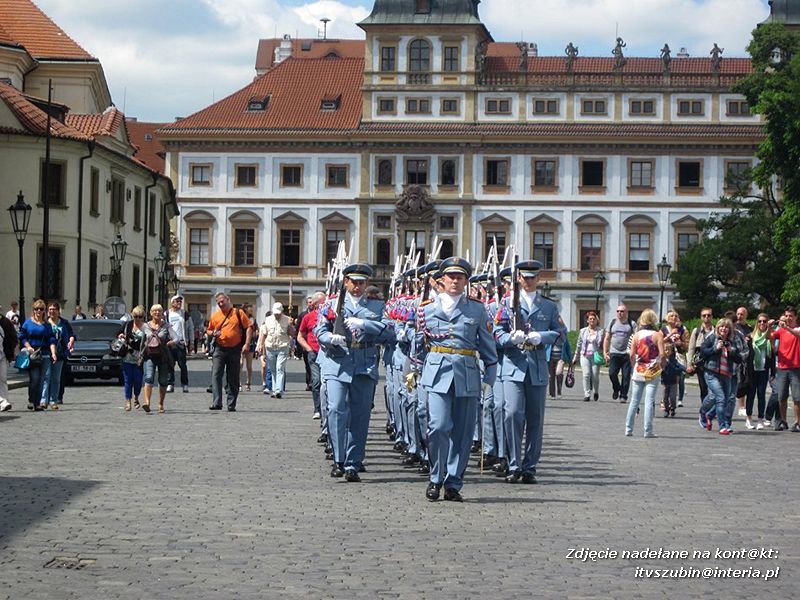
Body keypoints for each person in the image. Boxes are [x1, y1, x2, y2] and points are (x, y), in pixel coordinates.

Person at [414, 257, 497, 501]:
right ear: (442, 279)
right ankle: (435, 477)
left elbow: (488, 346)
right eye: (451, 276)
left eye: (460, 277)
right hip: (438, 373)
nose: (455, 281)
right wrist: (415, 370)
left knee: (462, 432)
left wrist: (489, 377)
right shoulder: (427, 308)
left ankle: (453, 482)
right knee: (438, 427)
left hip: (467, 374)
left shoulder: (477, 309)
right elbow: (419, 344)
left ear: (466, 281)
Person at [315, 264, 393, 483]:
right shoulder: (332, 304)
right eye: (353, 282)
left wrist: (365, 324)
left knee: (360, 416)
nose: (357, 286)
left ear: (367, 284)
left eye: (361, 282)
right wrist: (329, 338)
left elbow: (389, 331)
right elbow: (319, 329)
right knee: (336, 409)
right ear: (346, 282)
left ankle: (352, 463)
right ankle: (339, 459)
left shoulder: (377, 306)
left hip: (364, 363)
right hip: (337, 362)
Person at [493, 260, 564, 484]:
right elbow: (496, 332)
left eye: (533, 277)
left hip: (536, 366)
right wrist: (509, 339)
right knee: (512, 413)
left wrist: (541, 337)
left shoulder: (549, 306)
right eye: (525, 277)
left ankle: (529, 466)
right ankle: (513, 463)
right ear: (519, 278)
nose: (529, 281)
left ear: (539, 279)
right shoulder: (506, 304)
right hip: (513, 365)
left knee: (535, 419)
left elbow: (560, 331)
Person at [206, 292, 251, 412]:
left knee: (233, 377)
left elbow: (248, 327)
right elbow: (209, 330)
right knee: (216, 375)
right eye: (218, 302)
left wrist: (247, 344)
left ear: (228, 299)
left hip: (234, 349)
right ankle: (217, 402)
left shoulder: (238, 313)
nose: (220, 304)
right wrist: (213, 333)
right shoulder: (215, 316)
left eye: (222, 301)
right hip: (219, 349)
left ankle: (231, 404)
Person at [698, 318, 743, 435]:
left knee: (725, 398)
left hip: (726, 374)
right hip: (711, 372)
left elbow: (739, 359)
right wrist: (715, 348)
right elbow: (703, 351)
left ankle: (708, 413)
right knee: (720, 397)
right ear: (718, 328)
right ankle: (722, 426)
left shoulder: (731, 342)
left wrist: (731, 350)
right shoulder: (712, 338)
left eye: (726, 327)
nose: (724, 329)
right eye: (721, 327)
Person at [625, 309, 665, 438]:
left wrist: (633, 366)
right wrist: (661, 365)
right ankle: (648, 431)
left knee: (634, 401)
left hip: (639, 369)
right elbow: (663, 354)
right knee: (649, 401)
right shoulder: (658, 335)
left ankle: (628, 429)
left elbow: (631, 354)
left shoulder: (636, 335)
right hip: (653, 370)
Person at [140, 304, 177, 414]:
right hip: (149, 356)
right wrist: (140, 354)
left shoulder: (166, 326)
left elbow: (176, 337)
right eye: (155, 311)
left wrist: (172, 342)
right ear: (151, 313)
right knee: (149, 377)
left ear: (162, 313)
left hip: (163, 356)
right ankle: (147, 403)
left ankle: (161, 403)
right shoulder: (145, 326)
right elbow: (142, 341)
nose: (157, 313)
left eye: (159, 311)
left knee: (163, 380)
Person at [769, 306, 800, 432]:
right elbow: (769, 337)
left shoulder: (797, 328)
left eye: (790, 316)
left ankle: (798, 422)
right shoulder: (781, 331)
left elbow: (797, 334)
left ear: (795, 317)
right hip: (782, 367)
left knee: (797, 397)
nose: (788, 318)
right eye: (786, 315)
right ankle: (783, 420)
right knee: (782, 396)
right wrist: (769, 327)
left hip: (796, 368)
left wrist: (786, 327)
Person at [19, 299, 51, 412]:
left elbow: (51, 339)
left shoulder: (47, 325)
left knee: (42, 379)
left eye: (41, 309)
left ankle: (37, 403)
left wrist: (53, 352)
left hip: (45, 354)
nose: (38, 311)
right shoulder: (28, 323)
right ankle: (31, 400)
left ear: (44, 311)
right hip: (32, 354)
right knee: (35, 378)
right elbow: (22, 336)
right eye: (36, 309)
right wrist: (28, 346)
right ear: (33, 310)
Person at [41, 302, 74, 409]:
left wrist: (71, 341)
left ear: (58, 310)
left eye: (54, 309)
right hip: (46, 353)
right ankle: (43, 400)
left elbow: (71, 335)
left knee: (56, 378)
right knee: (46, 377)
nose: (52, 311)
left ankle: (53, 400)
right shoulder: (44, 323)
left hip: (60, 353)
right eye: (50, 309)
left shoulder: (64, 323)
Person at [256, 302, 292, 398]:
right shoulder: (268, 320)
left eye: (279, 313)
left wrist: (291, 326)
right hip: (270, 347)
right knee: (273, 369)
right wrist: (260, 345)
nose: (277, 315)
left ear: (282, 312)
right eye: (275, 313)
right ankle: (275, 389)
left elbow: (291, 333)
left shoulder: (287, 320)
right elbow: (264, 334)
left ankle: (278, 390)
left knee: (280, 368)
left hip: (283, 346)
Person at [297, 292, 323, 419]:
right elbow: (300, 336)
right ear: (315, 304)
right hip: (314, 353)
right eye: (322, 303)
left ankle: (327, 406)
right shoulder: (308, 317)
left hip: (329, 354)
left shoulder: (331, 317)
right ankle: (317, 408)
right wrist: (308, 348)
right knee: (317, 381)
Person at [746, 313, 774, 430]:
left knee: (761, 395)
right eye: (760, 321)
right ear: (757, 323)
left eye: (764, 321)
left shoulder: (770, 337)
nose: (762, 323)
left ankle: (760, 419)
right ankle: (749, 418)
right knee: (751, 395)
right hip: (752, 370)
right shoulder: (751, 337)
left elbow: (773, 353)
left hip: (763, 369)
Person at [603, 304, 636, 403]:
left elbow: (636, 338)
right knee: (612, 373)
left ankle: (623, 395)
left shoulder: (631, 324)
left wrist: (633, 353)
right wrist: (605, 352)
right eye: (618, 311)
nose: (619, 313)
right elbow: (607, 338)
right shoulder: (613, 323)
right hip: (614, 353)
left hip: (627, 354)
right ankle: (616, 388)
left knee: (626, 376)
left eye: (622, 311)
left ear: (626, 312)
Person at [117, 305, 146, 411]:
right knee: (128, 380)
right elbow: (118, 333)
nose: (137, 319)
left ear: (143, 317)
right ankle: (128, 401)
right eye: (135, 316)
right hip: (127, 357)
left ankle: (136, 397)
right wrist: (120, 336)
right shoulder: (127, 325)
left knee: (138, 380)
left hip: (139, 357)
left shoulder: (145, 327)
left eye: (140, 316)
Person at [573, 311, 604, 402]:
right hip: (585, 355)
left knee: (595, 376)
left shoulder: (600, 331)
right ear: (587, 320)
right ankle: (586, 394)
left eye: (594, 319)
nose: (592, 320)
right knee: (586, 375)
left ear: (596, 320)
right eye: (590, 319)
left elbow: (602, 343)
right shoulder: (583, 331)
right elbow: (579, 344)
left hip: (595, 355)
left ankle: (596, 391)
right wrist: (575, 356)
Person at [660, 310, 688, 408]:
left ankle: (676, 400)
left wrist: (681, 343)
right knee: (666, 379)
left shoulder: (682, 330)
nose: (674, 318)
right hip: (667, 356)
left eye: (676, 316)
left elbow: (686, 345)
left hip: (678, 356)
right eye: (671, 316)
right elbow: (659, 341)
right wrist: (670, 334)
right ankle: (664, 400)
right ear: (667, 318)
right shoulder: (663, 329)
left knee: (679, 378)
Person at [687, 308, 714, 402]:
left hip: (713, 363)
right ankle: (704, 410)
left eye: (709, 315)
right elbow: (691, 349)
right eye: (704, 315)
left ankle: (711, 410)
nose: (706, 317)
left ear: (712, 317)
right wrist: (689, 364)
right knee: (703, 388)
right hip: (700, 364)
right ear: (701, 317)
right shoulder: (697, 331)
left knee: (713, 388)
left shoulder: (716, 330)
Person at [166, 294, 191, 393]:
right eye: (177, 301)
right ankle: (170, 383)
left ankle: (184, 384)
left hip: (181, 342)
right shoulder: (167, 314)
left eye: (180, 301)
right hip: (170, 343)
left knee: (182, 365)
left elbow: (190, 328)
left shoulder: (184, 314)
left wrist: (191, 342)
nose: (179, 303)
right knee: (170, 364)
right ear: (172, 303)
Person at [734, 306, 754, 417]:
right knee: (740, 381)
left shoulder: (749, 328)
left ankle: (744, 405)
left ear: (746, 315)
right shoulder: (735, 327)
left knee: (746, 382)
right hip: (738, 357)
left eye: (742, 314)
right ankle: (741, 406)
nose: (739, 316)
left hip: (748, 357)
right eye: (738, 314)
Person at [660, 343, 685, 418]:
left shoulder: (673, 360)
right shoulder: (662, 360)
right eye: (665, 350)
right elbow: (658, 368)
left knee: (672, 396)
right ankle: (666, 409)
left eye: (669, 350)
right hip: (665, 381)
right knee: (665, 397)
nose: (667, 352)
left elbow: (679, 366)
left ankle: (673, 408)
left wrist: (685, 369)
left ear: (672, 351)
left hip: (673, 381)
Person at [0, 312, 17, 411]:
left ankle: (4, 402)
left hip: (2, 355)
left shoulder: (4, 321)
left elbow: (12, 337)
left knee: (3, 379)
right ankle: (2, 401)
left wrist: (10, 352)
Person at [240, 303, 258, 392]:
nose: (251, 309)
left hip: (250, 343)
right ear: (245, 309)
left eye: (251, 307)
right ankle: (239, 383)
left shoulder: (252, 319)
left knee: (249, 365)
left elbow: (255, 330)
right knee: (240, 364)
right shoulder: (240, 318)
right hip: (240, 343)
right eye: (249, 307)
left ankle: (248, 382)